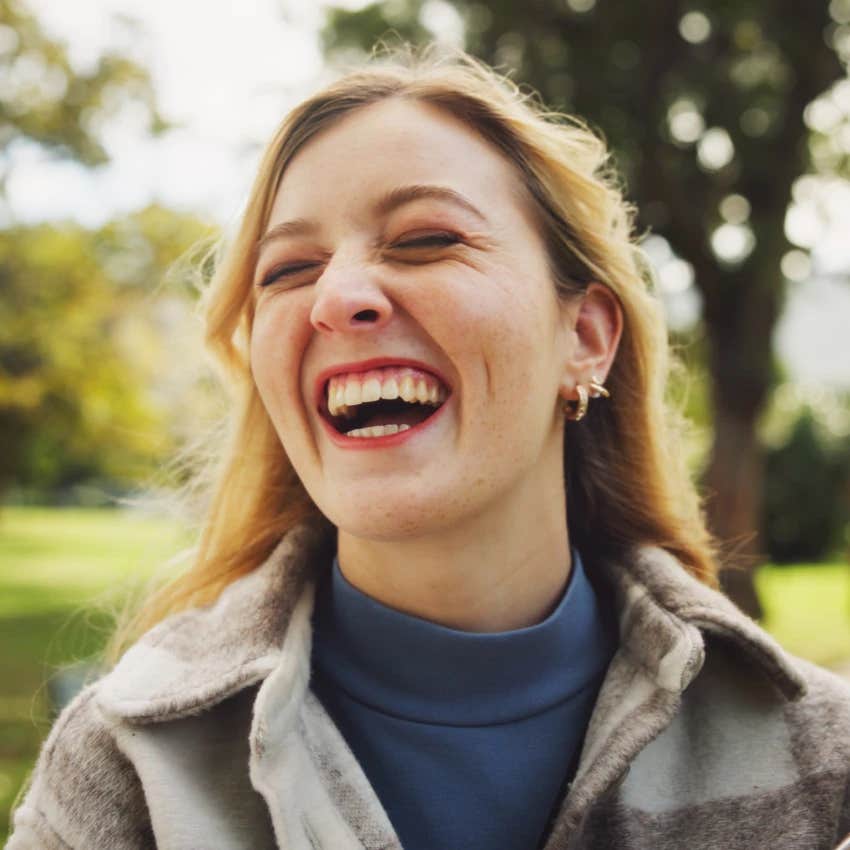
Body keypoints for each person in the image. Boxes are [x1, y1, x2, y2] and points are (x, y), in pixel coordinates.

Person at [7, 43, 850, 850]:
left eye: (425, 240)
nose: (336, 297)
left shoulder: (823, 758)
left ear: (585, 337)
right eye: (288, 270)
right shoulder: (129, 762)